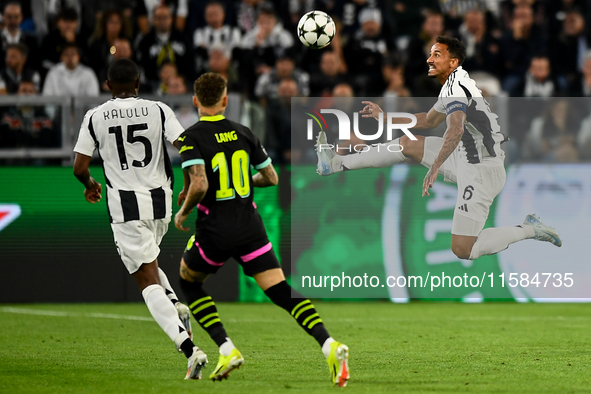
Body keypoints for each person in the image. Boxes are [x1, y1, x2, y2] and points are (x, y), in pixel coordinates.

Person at [316, 36, 562, 262]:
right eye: (430, 54)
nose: (429, 59)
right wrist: (385, 117)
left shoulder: (457, 88)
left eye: (436, 55)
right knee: (407, 143)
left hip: (482, 172)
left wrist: (435, 167)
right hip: (464, 157)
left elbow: (455, 128)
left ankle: (530, 229)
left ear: (453, 62)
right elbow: (428, 121)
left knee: (463, 249)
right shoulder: (453, 85)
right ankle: (336, 163)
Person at [174, 72, 350, 386]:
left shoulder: (191, 137)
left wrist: (183, 209)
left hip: (214, 230)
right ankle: (329, 345)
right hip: (250, 228)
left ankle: (226, 347)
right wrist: (242, 187)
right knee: (282, 291)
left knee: (189, 281)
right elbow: (271, 177)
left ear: (195, 101)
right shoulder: (244, 132)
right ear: (225, 101)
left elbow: (199, 184)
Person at [72, 58, 208, 380]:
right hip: (161, 204)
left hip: (126, 209)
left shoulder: (95, 116)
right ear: (138, 83)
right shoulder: (159, 109)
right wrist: (189, 184)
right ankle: (175, 304)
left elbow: (79, 168)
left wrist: (90, 185)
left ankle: (190, 351)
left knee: (146, 280)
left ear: (107, 86)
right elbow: (186, 146)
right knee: (149, 260)